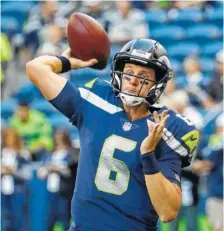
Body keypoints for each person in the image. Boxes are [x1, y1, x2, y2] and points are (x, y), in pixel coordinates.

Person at [26, 38, 200, 231]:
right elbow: (35, 68)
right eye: (129, 72)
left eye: (143, 75)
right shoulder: (96, 100)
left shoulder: (168, 127)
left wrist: (148, 153)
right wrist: (68, 62)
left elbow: (167, 212)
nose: (133, 80)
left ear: (157, 82)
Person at [37, 128, 79, 231]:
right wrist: (47, 169)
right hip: (51, 190)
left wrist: (58, 168)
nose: (59, 141)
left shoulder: (71, 153)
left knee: (64, 218)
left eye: (61, 139)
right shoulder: (50, 154)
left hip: (64, 192)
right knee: (50, 219)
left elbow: (71, 172)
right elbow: (41, 173)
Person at [1, 127, 31, 231]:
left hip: (18, 192)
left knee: (19, 221)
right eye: (6, 136)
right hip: (4, 192)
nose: (8, 139)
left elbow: (27, 175)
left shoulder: (23, 154)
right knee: (5, 222)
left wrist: (13, 172)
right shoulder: (2, 153)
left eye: (11, 136)